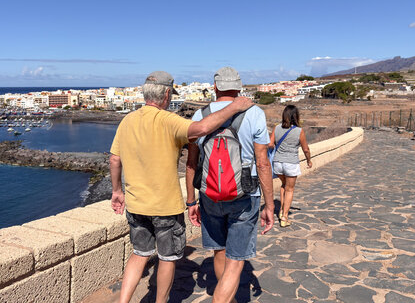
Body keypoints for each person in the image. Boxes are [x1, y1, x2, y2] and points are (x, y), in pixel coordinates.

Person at [110, 71, 254, 303]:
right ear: (167, 94)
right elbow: (201, 128)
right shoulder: (168, 120)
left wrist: (117, 191)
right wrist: (235, 106)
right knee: (167, 258)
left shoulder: (127, 120)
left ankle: (123, 301)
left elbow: (115, 159)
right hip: (165, 206)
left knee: (139, 254)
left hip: (136, 204)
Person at [185, 67, 275, 303]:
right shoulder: (254, 113)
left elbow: (191, 163)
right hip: (245, 194)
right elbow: (263, 163)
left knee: (220, 252)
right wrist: (269, 205)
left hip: (209, 195)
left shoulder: (199, 116)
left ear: (215, 87)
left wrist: (191, 201)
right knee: (236, 262)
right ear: (238, 87)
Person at [269, 104, 312, 227]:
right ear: (296, 116)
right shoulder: (299, 131)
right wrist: (309, 160)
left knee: (283, 186)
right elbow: (306, 149)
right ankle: (285, 217)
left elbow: (270, 144)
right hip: (291, 163)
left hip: (277, 163)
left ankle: (282, 210)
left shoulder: (276, 128)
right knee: (290, 189)